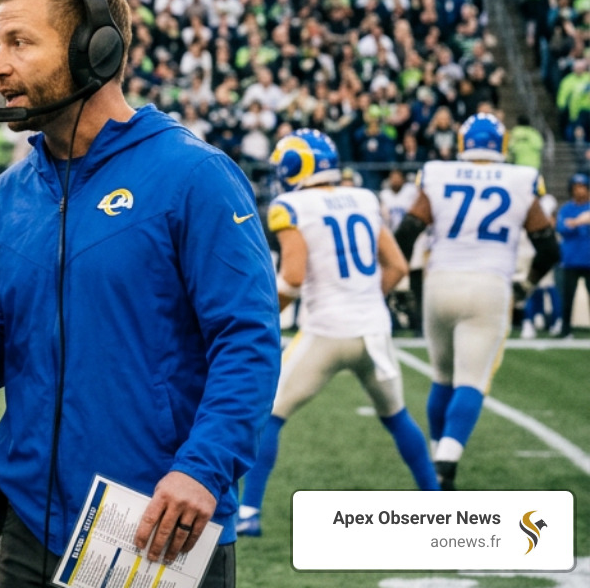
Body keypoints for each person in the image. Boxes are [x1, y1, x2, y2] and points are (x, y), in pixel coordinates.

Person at [0, 0, 281, 588]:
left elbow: (247, 339)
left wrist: (203, 468)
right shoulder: (6, 196)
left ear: (96, 49)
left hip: (154, 521)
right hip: (28, 524)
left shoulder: (194, 175)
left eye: (20, 42)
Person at [237, 131, 437, 538]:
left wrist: (262, 316)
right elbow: (397, 266)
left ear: (294, 168)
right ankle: (436, 500)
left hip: (326, 332)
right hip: (373, 331)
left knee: (269, 416)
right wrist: (364, 299)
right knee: (397, 416)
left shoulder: (291, 206)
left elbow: (292, 278)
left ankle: (249, 511)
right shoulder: (363, 198)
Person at [394, 112, 560, 490]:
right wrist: (525, 287)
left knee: (442, 377)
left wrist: (405, 283)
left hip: (440, 281)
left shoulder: (437, 173)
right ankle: (446, 464)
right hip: (490, 284)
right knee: (471, 380)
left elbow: (407, 232)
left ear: (462, 143)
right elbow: (549, 249)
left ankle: (436, 462)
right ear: (502, 145)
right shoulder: (521, 179)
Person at [554, 173, 590, 338]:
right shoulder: (567, 208)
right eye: (576, 188)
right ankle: (565, 329)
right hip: (570, 260)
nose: (579, 191)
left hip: (588, 259)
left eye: (582, 187)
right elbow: (562, 228)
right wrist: (578, 222)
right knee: (567, 298)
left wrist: (575, 222)